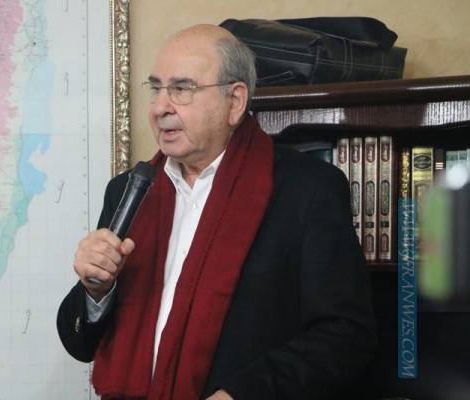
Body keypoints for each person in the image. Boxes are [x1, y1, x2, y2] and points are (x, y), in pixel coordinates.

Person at [57, 24, 377, 400]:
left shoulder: (307, 190)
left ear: (235, 101)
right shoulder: (129, 190)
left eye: (181, 89)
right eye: (156, 88)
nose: (160, 107)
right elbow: (80, 342)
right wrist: (96, 289)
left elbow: (346, 337)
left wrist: (242, 394)